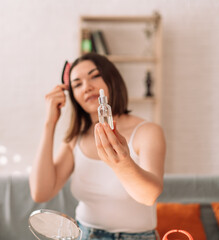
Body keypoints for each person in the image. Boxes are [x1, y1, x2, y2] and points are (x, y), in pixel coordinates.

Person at [29, 53, 166, 240]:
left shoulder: (147, 132)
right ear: (73, 96)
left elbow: (149, 196)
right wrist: (49, 123)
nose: (87, 87)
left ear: (112, 79)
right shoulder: (75, 138)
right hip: (84, 235)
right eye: (77, 84)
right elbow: (41, 192)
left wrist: (121, 162)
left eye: (95, 76)